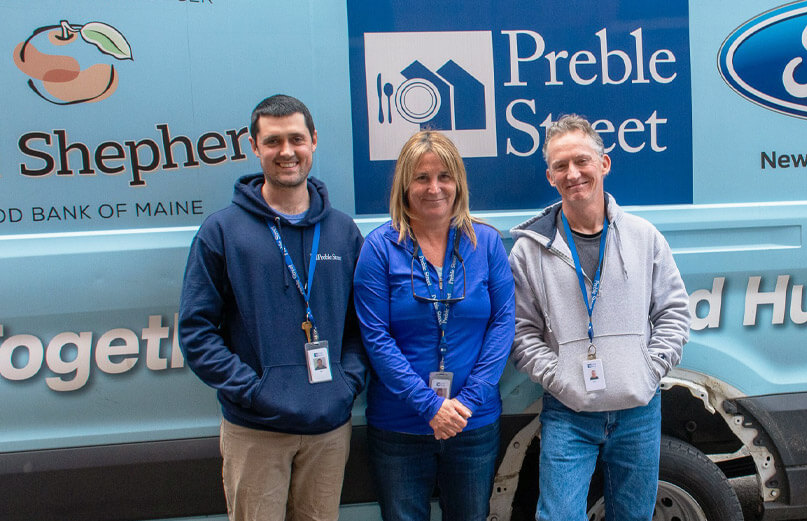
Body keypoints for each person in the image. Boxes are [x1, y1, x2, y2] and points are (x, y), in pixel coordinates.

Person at [178, 94, 367, 521]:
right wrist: (254, 391)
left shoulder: (341, 232)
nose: (286, 152)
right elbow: (196, 332)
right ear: (254, 145)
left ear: (314, 141)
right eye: (273, 141)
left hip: (327, 429)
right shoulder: (223, 232)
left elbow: (362, 325)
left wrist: (346, 382)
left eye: (296, 139)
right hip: (256, 430)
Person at [509, 114, 691, 520]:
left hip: (637, 409)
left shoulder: (644, 236)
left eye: (581, 161)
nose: (572, 173)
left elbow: (675, 312)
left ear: (603, 164)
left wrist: (648, 368)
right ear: (550, 176)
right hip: (569, 412)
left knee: (633, 515)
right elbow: (522, 332)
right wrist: (559, 377)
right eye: (561, 166)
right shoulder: (528, 250)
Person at [353, 130, 515, 521]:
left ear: (458, 182)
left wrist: (467, 402)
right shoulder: (379, 247)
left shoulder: (486, 243)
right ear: (404, 186)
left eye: (444, 176)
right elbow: (376, 337)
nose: (434, 188)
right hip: (400, 427)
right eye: (422, 178)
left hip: (470, 422)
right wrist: (429, 406)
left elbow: (503, 322)